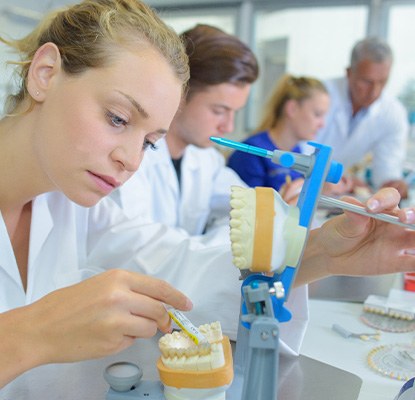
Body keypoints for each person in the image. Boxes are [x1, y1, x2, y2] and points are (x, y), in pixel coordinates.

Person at [2, 3, 415, 397]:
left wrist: (322, 252)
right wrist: (31, 333)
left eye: (148, 142)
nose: (130, 160)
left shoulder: (72, 206)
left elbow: (176, 264)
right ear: (45, 73)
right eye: (117, 118)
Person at [226, 74, 352, 203]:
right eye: (317, 114)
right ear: (292, 109)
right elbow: (250, 210)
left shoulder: (296, 152)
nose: (322, 124)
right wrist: (314, 190)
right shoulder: (250, 154)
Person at [310, 37, 409, 199]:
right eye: (367, 81)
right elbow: (298, 152)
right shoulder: (320, 96)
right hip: (294, 185)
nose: (374, 92)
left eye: (382, 82)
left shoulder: (393, 113)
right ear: (349, 73)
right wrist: (338, 178)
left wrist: (392, 183)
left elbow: (387, 168)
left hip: (333, 195)